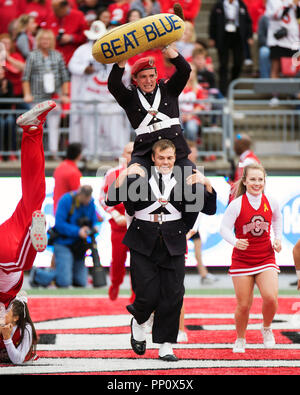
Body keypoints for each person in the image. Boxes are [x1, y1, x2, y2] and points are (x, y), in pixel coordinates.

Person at [106, 138, 217, 361]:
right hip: (142, 237)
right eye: (162, 158)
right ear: (153, 158)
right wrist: (122, 177)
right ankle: (138, 320)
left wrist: (207, 184)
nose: (166, 162)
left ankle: (166, 345)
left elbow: (210, 208)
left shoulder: (186, 178)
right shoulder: (138, 175)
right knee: (146, 294)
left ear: (175, 158)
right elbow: (111, 199)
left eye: (170, 158)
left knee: (173, 295)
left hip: (174, 238)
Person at [0, 100, 55, 321]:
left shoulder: (7, 318)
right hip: (8, 244)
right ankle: (33, 130)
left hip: (8, 260)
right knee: (34, 197)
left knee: (23, 261)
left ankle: (33, 242)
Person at [220, 163, 282, 353]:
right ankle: (240, 338)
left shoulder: (271, 200)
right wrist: (235, 241)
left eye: (260, 179)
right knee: (244, 305)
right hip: (242, 260)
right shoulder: (236, 204)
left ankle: (267, 327)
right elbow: (223, 229)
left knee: (271, 298)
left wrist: (277, 239)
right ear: (245, 181)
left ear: (265, 181)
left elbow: (278, 219)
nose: (257, 183)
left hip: (265, 257)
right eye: (253, 179)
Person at [107, 45, 194, 179]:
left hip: (176, 148)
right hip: (145, 151)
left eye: (152, 76)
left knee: (195, 184)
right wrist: (122, 59)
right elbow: (113, 84)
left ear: (157, 75)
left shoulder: (169, 89)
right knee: (132, 180)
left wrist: (166, 48)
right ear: (135, 78)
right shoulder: (129, 97)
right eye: (143, 77)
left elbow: (185, 70)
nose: (148, 81)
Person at [68, 20, 130, 160]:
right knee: (90, 130)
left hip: (109, 98)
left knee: (114, 128)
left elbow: (128, 69)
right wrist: (84, 69)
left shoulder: (115, 47)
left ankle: (118, 154)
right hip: (90, 96)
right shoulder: (82, 50)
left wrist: (120, 70)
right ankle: (91, 154)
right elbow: (72, 66)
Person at [30, 185, 98, 288]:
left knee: (80, 282)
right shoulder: (66, 200)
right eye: (85, 198)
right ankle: (38, 275)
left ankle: (61, 273)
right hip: (63, 243)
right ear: (80, 194)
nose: (87, 200)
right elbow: (59, 224)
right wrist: (78, 231)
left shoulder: (90, 202)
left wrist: (93, 228)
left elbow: (93, 220)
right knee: (64, 282)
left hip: (79, 245)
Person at [22, 28, 70, 159]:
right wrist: (27, 94)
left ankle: (53, 152)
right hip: (36, 97)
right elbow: (26, 77)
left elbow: (64, 77)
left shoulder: (57, 55)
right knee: (36, 127)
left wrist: (64, 94)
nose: (45, 42)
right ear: (38, 41)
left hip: (54, 98)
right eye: (43, 39)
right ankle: (36, 153)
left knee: (54, 126)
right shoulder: (32, 55)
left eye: (48, 39)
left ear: (52, 41)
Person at [99, 142, 135, 302]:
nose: (131, 155)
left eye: (134, 152)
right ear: (123, 154)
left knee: (139, 263)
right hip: (119, 227)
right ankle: (115, 283)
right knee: (118, 260)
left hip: (138, 227)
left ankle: (136, 294)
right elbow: (102, 198)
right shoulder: (113, 173)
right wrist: (114, 213)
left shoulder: (147, 173)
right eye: (128, 152)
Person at [208, 0, 253, 96]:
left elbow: (247, 21)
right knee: (223, 63)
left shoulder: (241, 4)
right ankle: (223, 88)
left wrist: (249, 36)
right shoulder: (219, 5)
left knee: (238, 62)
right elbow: (213, 21)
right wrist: (212, 37)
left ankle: (233, 83)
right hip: (223, 35)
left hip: (238, 35)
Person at [40, 0, 88, 65]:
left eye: (56, 10)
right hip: (54, 58)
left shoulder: (78, 16)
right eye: (53, 9)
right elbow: (43, 34)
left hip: (73, 57)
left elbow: (85, 36)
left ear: (65, 7)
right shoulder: (51, 16)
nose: (54, 12)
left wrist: (72, 38)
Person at [0, 291, 38, 364]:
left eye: (6, 311)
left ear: (15, 318)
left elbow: (18, 360)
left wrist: (7, 338)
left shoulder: (26, 329)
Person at [266, 0, 300, 80]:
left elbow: (298, 16)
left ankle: (290, 91)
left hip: (292, 40)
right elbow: (276, 14)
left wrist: (296, 6)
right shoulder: (272, 1)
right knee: (275, 68)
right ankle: (275, 91)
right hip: (277, 40)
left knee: (290, 70)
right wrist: (290, 4)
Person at [228, 133, 260, 203]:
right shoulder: (244, 159)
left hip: (244, 204)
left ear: (241, 145)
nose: (234, 147)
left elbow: (246, 185)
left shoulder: (249, 161)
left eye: (235, 144)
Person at [53, 142, 82, 215]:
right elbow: (78, 195)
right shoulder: (73, 172)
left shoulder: (59, 168)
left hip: (57, 209)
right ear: (79, 156)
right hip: (68, 212)